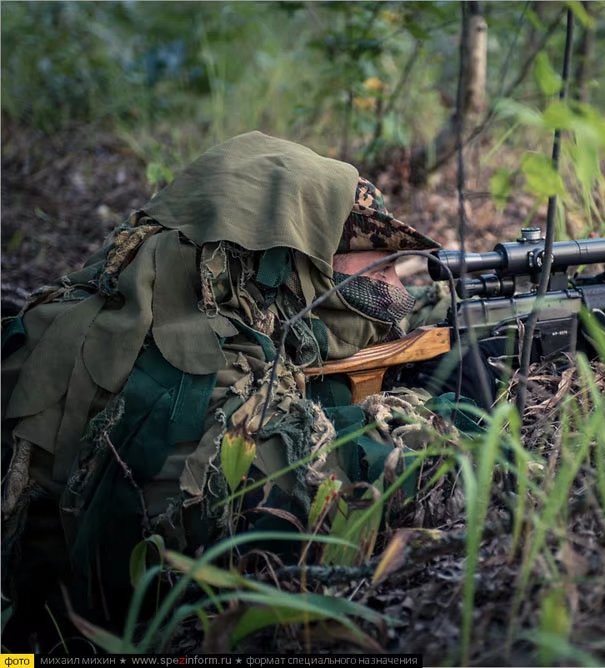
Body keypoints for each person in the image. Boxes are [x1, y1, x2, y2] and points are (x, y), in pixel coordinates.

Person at [0, 131, 473, 637]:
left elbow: (359, 320)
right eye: (374, 258)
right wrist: (460, 414)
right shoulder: (184, 382)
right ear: (282, 263)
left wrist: (474, 320)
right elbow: (354, 479)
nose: (395, 286)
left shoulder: (139, 306)